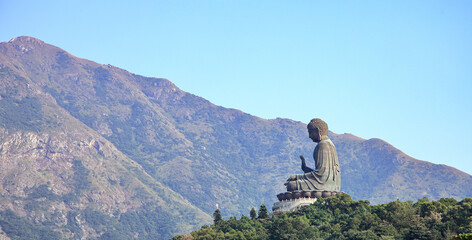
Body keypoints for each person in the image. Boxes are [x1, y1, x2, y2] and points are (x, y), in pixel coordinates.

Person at [286, 118, 341, 192]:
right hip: (333, 186)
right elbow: (322, 172)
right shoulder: (330, 144)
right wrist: (304, 166)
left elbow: (321, 174)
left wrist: (298, 177)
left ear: (317, 131)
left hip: (323, 185)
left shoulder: (323, 145)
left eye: (310, 132)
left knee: (291, 185)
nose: (309, 136)